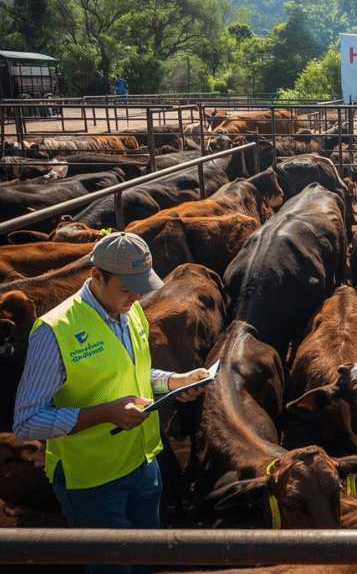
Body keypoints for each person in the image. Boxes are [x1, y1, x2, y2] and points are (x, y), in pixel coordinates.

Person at [13, 232, 210, 574]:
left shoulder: (130, 311)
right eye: (127, 288)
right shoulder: (54, 330)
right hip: (92, 481)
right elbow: (27, 422)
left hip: (144, 464)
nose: (136, 296)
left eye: (141, 287)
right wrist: (104, 414)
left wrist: (174, 382)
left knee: (146, 560)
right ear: (97, 276)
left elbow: (133, 373)